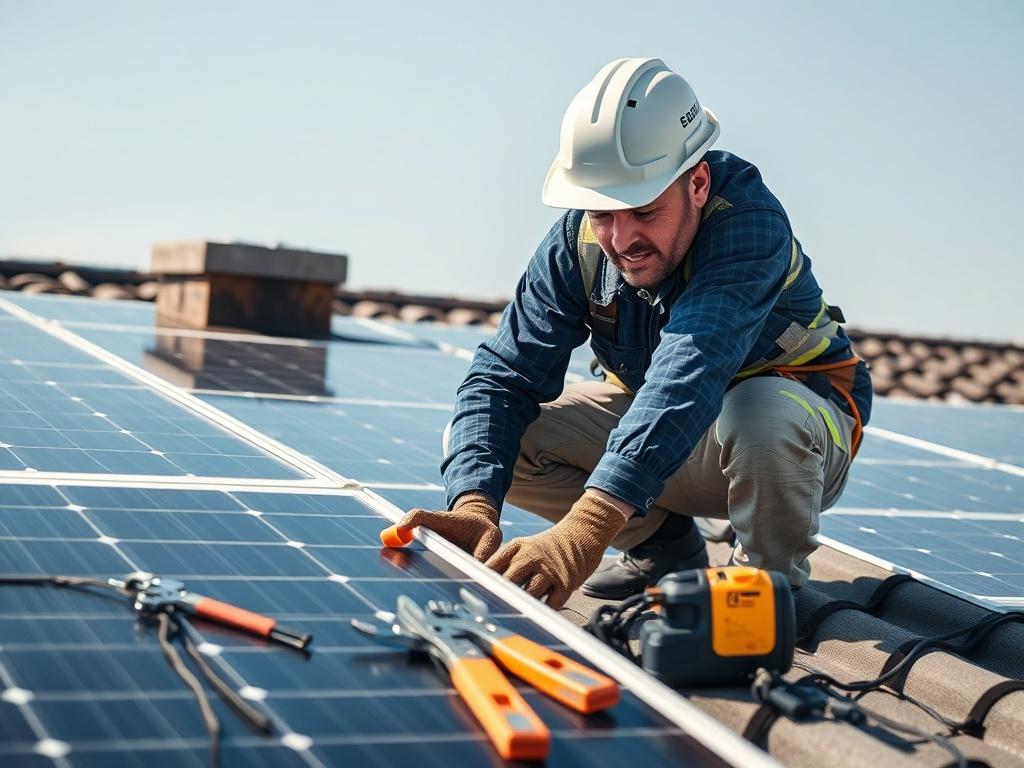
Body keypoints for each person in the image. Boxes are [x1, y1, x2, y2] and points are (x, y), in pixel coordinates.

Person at [397, 57, 872, 609]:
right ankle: (664, 548)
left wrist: (586, 530)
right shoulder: (576, 243)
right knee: (495, 440)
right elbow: (501, 379)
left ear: (697, 183)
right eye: (602, 213)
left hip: (789, 447)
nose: (621, 240)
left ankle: (761, 595)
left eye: (643, 211)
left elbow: (690, 371)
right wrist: (473, 505)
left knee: (762, 417)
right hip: (669, 445)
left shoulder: (748, 225)